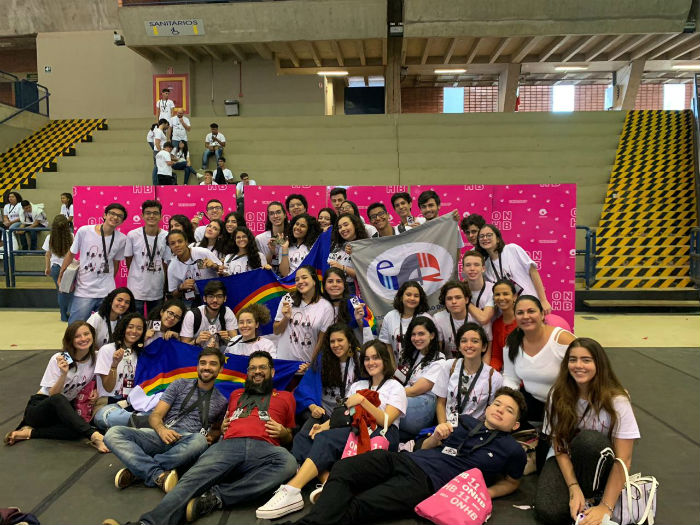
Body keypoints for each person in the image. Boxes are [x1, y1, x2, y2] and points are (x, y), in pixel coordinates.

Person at [281, 387, 527, 525]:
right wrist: (435, 438)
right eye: (497, 404)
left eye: (508, 411)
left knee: (360, 505)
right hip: (404, 459)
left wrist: (486, 492)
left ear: (515, 424)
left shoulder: (513, 449)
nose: (500, 410)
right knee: (344, 469)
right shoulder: (465, 422)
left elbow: (513, 482)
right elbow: (425, 448)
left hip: (427, 483)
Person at [102, 351, 298, 525]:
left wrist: (283, 433)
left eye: (262, 367)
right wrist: (220, 430)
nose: (257, 371)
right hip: (229, 446)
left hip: (266, 448)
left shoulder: (286, 396)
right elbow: (217, 428)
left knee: (288, 463)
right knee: (190, 481)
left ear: (272, 372)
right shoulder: (235, 395)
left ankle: (215, 498)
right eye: (252, 368)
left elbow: (289, 436)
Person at [256, 339, 406, 520]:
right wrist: (323, 426)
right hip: (355, 429)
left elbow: (386, 421)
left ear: (385, 360)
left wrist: (363, 402)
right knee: (306, 437)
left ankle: (293, 489)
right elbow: (345, 415)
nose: (371, 362)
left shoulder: (395, 386)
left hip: (380, 434)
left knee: (325, 440)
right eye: (367, 359)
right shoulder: (358, 386)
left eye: (376, 358)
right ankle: (328, 482)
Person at [535, 338, 640, 525]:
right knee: (548, 511)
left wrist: (605, 507)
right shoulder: (557, 394)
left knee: (589, 441)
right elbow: (559, 447)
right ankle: (584, 496)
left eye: (586, 360)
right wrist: (573, 487)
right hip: (568, 460)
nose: (578, 365)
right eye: (573, 360)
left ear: (599, 364)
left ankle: (597, 497)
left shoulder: (617, 400)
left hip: (603, 465)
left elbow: (624, 459)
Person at [103, 347, 228, 494]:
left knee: (199, 441)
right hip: (161, 434)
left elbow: (215, 429)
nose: (207, 367)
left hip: (187, 442)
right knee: (112, 433)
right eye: (203, 363)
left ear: (220, 368)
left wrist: (212, 436)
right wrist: (162, 430)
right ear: (197, 366)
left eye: (213, 364)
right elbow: (155, 415)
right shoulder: (179, 384)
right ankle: (156, 474)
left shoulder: (222, 401)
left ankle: (140, 470)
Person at [4, 321, 109, 453]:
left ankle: (29, 433)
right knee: (60, 399)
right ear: (70, 340)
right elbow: (54, 395)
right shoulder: (62, 358)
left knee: (76, 430)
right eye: (77, 336)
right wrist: (63, 374)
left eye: (86, 334)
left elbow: (93, 377)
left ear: (93, 336)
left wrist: (95, 390)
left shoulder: (96, 357)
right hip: (41, 408)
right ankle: (94, 436)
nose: (83, 339)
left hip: (63, 409)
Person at [503, 294, 575, 426]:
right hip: (532, 404)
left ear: (542, 314)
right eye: (520, 313)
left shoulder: (562, 339)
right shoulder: (512, 341)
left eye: (531, 311)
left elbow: (586, 372)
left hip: (566, 405)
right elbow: (510, 378)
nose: (526, 316)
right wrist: (506, 402)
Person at [59, 203, 128, 323]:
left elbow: (116, 263)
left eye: (120, 216)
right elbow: (71, 254)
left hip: (107, 291)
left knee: (105, 326)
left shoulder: (122, 239)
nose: (115, 217)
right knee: (76, 325)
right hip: (84, 290)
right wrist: (61, 274)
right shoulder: (85, 231)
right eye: (112, 214)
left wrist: (108, 280)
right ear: (105, 215)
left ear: (122, 221)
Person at [435, 323, 503, 426]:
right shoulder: (449, 366)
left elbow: (493, 412)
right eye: (464, 341)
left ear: (484, 347)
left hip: (476, 433)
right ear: (459, 347)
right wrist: (443, 426)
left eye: (475, 341)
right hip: (448, 428)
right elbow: (441, 403)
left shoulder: (494, 377)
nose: (469, 345)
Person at [477, 223, 552, 315]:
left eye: (489, 235)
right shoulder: (486, 264)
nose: (485, 238)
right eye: (481, 236)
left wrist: (543, 300)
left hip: (529, 305)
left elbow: (533, 272)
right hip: (508, 313)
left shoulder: (512, 249)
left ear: (497, 239)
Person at [293, 323, 361, 422]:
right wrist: (313, 407)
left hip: (349, 411)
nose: (336, 345)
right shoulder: (322, 359)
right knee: (307, 417)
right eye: (332, 341)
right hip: (323, 411)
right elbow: (305, 388)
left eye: (340, 340)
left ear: (349, 341)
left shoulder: (359, 360)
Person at [92, 313, 147, 430]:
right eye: (130, 327)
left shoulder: (141, 354)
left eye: (139, 328)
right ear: (123, 328)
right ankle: (142, 423)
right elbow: (108, 387)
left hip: (133, 405)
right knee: (112, 417)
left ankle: (138, 422)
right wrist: (114, 364)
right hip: (107, 404)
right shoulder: (107, 350)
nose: (134, 331)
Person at [395, 317, 445, 439]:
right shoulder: (409, 355)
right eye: (413, 334)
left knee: (381, 405)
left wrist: (387, 394)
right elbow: (397, 379)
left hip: (423, 404)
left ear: (432, 335)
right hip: (405, 398)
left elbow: (414, 390)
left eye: (421, 334)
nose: (417, 338)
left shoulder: (439, 360)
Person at [274, 265, 334, 364]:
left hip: (306, 365)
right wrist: (285, 318)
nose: (300, 282)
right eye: (297, 279)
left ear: (314, 280)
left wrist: (312, 365)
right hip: (284, 363)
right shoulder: (288, 299)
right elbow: (276, 331)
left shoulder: (326, 307)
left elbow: (321, 342)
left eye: (304, 277)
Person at [125, 200, 170, 316]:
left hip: (157, 289)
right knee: (135, 323)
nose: (151, 216)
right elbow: (128, 260)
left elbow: (166, 264)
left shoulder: (166, 236)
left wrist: (166, 286)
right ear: (142, 216)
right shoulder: (132, 235)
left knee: (154, 324)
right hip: (136, 289)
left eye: (155, 213)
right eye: (148, 213)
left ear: (161, 216)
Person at [378, 280, 432, 362]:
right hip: (397, 369)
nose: (412, 298)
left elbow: (432, 346)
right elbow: (387, 345)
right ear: (401, 297)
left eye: (416, 296)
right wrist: (393, 369)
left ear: (420, 299)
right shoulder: (390, 317)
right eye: (408, 295)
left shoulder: (426, 318)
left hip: (421, 368)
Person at [166, 230, 222, 305]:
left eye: (180, 241)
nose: (177, 245)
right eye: (172, 243)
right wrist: (181, 287)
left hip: (214, 293)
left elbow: (224, 271)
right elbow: (174, 294)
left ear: (186, 242)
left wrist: (214, 266)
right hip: (193, 298)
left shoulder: (202, 252)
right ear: (169, 247)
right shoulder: (172, 267)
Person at [180, 280, 238, 351]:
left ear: (225, 298)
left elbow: (236, 343)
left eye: (219, 296)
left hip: (217, 353)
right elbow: (183, 347)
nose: (215, 300)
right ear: (204, 298)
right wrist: (196, 341)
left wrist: (228, 339)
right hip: (196, 353)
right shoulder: (192, 315)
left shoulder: (227, 312)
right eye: (211, 296)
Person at [322, 267, 372, 344]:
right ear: (324, 285)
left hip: (355, 349)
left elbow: (371, 332)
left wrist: (359, 320)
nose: (334, 284)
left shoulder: (355, 301)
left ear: (344, 285)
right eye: (330, 281)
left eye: (338, 281)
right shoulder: (320, 304)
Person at [461, 250, 496, 353]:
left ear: (483, 268)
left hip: (490, 340)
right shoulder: (458, 290)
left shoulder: (493, 289)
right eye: (468, 265)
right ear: (463, 269)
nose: (472, 269)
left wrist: (465, 300)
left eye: (476, 265)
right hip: (466, 341)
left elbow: (483, 318)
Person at [43, 214, 74, 322]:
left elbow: (47, 254)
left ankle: (63, 316)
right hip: (69, 267)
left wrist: (47, 268)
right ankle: (71, 312)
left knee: (61, 292)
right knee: (71, 291)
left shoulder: (49, 237)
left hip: (55, 268)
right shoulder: (71, 236)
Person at [328, 212, 368, 293]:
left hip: (351, 290)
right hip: (332, 289)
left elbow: (364, 275)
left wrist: (342, 267)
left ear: (355, 225)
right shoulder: (336, 245)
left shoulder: (364, 246)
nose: (342, 229)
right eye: (340, 227)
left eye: (346, 225)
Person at [433, 281, 470, 357]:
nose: (454, 302)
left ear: (466, 300)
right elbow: (437, 350)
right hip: (448, 365)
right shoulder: (438, 318)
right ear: (445, 301)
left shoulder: (477, 318)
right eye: (449, 298)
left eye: (458, 297)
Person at [489, 278, 518, 371]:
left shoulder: (526, 321)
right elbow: (496, 357)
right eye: (497, 294)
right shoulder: (496, 324)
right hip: (507, 377)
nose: (501, 298)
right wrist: (490, 374)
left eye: (505, 294)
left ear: (514, 297)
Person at [256, 201, 289, 275]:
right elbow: (261, 266)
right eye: (271, 213)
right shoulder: (260, 239)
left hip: (289, 279)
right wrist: (271, 252)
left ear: (285, 215)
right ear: (269, 217)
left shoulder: (292, 237)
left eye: (278, 212)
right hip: (269, 280)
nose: (275, 216)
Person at [151, 119, 170, 185]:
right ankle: (155, 184)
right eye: (167, 125)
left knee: (158, 168)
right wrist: (162, 152)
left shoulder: (160, 131)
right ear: (164, 124)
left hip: (159, 151)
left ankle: (157, 183)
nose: (167, 127)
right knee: (157, 167)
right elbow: (157, 143)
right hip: (158, 152)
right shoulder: (159, 131)